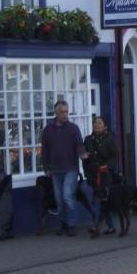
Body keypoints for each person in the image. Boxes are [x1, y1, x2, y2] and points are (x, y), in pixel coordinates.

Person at [40, 99, 86, 236]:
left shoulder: (73, 128)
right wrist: (46, 167)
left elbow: (79, 144)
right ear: (56, 112)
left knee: (67, 196)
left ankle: (72, 225)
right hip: (55, 169)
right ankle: (64, 224)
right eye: (62, 112)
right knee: (59, 199)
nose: (65, 115)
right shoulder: (48, 129)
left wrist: (82, 154)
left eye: (66, 112)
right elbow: (45, 150)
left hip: (71, 167)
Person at [83, 115, 119, 238]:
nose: (96, 125)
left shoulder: (110, 139)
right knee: (100, 201)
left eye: (99, 123)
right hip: (93, 174)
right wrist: (84, 157)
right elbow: (84, 158)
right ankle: (111, 226)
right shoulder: (88, 139)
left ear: (105, 126)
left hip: (105, 175)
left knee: (102, 200)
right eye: (95, 123)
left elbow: (115, 157)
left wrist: (107, 166)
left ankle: (96, 226)